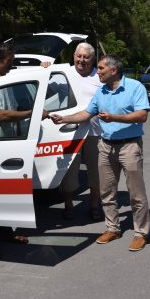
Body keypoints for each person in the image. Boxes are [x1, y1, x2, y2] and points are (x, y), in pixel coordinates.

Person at [51, 54, 150, 252]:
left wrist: (114, 117)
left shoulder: (135, 87)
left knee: (136, 193)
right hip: (105, 146)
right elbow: (86, 114)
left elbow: (142, 115)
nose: (99, 72)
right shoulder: (101, 92)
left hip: (129, 146)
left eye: (102, 69)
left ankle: (141, 233)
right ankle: (113, 228)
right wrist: (63, 119)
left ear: (113, 71)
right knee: (106, 191)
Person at [0, 42, 49, 259]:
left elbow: (12, 111)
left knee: (6, 193)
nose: (11, 66)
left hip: (7, 144)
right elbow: (1, 115)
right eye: (9, 62)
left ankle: (6, 232)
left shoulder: (4, 79)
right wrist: (32, 113)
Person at [59, 42, 103, 221]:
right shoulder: (64, 74)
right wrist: (45, 66)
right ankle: (68, 206)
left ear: (93, 59)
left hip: (95, 133)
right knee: (69, 171)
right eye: (79, 56)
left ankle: (94, 205)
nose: (82, 60)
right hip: (70, 132)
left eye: (86, 57)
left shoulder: (100, 76)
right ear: (74, 56)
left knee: (96, 172)